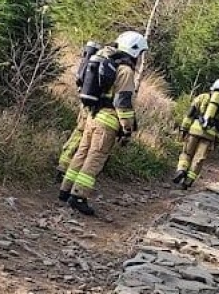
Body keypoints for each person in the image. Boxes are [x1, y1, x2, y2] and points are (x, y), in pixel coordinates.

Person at [58, 30, 149, 216]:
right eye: (140, 53)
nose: (139, 58)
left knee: (81, 153)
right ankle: (79, 196)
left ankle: (65, 189)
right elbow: (122, 102)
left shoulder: (109, 62)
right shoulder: (125, 70)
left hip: (92, 116)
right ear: (134, 50)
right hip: (107, 122)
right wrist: (127, 128)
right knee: (95, 158)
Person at [173, 78, 219, 190]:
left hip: (194, 130)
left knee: (186, 153)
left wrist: (184, 129)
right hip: (209, 136)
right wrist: (217, 141)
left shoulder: (202, 97)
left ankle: (181, 170)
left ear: (213, 87)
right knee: (198, 159)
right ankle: (187, 182)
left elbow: (190, 114)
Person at [56, 40, 101, 182]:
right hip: (90, 108)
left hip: (83, 104)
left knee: (78, 133)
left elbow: (79, 82)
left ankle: (63, 165)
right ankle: (65, 168)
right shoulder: (96, 64)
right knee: (81, 137)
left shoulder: (85, 64)